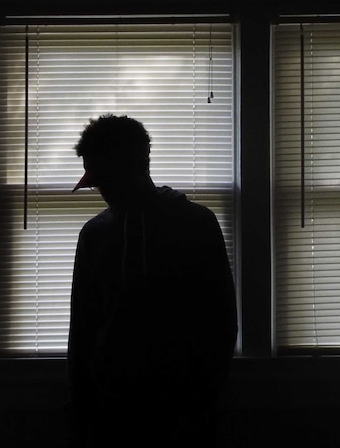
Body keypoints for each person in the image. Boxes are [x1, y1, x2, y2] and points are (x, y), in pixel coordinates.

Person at [65, 114, 238, 447]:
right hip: (111, 407)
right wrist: (80, 403)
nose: (101, 190)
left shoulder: (196, 225)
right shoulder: (95, 235)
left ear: (135, 165)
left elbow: (220, 320)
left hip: (184, 403)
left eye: (105, 178)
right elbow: (83, 328)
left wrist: (203, 399)